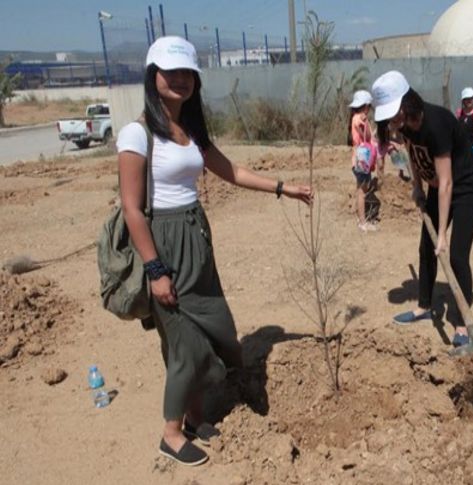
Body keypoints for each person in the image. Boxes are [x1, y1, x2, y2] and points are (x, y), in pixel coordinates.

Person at [116, 37, 312, 466]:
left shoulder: (191, 131)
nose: (182, 80)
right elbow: (131, 208)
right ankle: (170, 434)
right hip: (163, 243)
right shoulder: (137, 133)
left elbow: (233, 171)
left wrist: (284, 188)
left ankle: (194, 416)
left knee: (219, 330)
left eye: (188, 73)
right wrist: (155, 268)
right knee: (186, 343)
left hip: (196, 239)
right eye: (172, 73)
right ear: (153, 77)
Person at [373, 71, 473, 348]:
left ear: (408, 100)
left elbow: (447, 182)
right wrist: (417, 187)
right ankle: (424, 306)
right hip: (437, 188)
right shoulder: (404, 125)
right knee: (426, 248)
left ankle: (461, 321)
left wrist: (444, 234)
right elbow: (412, 152)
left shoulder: (435, 122)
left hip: (467, 189)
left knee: (457, 255)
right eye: (388, 115)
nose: (393, 120)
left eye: (396, 111)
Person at [348, 90, 379, 231]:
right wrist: (366, 123)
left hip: (360, 158)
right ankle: (362, 222)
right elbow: (365, 135)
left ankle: (362, 219)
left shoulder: (355, 117)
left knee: (361, 188)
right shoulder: (359, 118)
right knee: (362, 190)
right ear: (366, 106)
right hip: (362, 159)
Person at [457, 87, 473, 156]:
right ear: (463, 101)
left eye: (471, 98)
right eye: (466, 99)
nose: (469, 101)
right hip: (462, 146)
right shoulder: (459, 113)